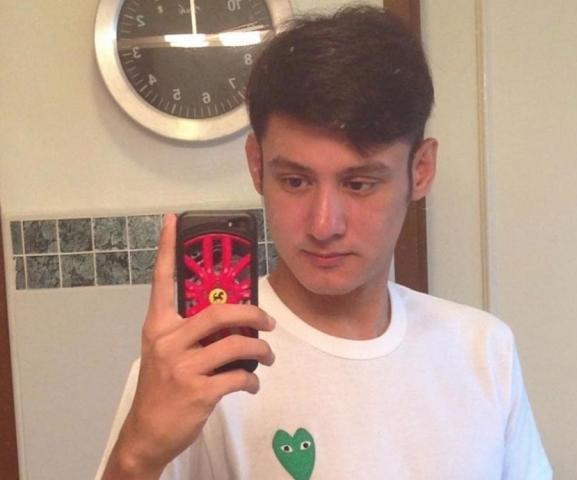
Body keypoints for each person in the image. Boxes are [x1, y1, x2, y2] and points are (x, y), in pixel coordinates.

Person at [97, 6, 552, 479]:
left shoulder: (484, 351)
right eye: (295, 181)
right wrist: (136, 456)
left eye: (359, 184)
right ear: (257, 165)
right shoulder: (195, 365)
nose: (323, 224)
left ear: (420, 171)